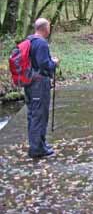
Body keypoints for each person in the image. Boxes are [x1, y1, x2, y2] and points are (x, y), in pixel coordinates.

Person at [25, 18, 59, 158]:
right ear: (45, 28)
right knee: (39, 115)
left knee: (33, 114)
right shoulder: (41, 44)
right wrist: (54, 63)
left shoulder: (30, 40)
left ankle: (39, 144)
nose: (49, 29)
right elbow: (44, 65)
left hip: (30, 82)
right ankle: (37, 149)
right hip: (39, 83)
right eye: (49, 27)